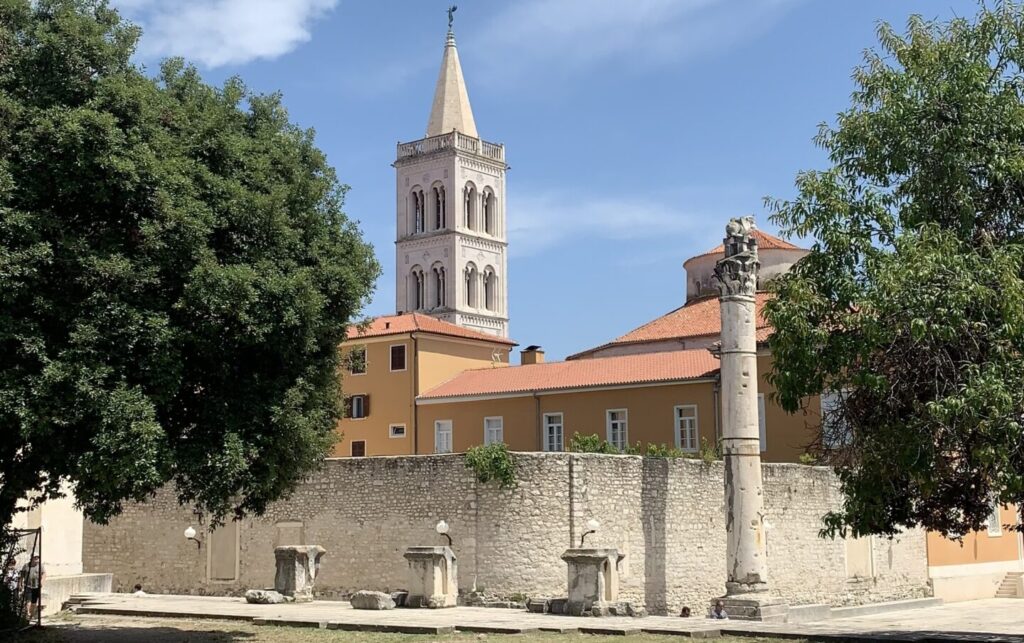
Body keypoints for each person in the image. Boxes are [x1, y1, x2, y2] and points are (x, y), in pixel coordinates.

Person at [21, 555, 44, 619]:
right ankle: (27, 614)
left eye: (38, 558)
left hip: (36, 586)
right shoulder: (26, 566)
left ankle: (31, 614)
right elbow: (22, 575)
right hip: (27, 585)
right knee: (28, 601)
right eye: (36, 558)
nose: (37, 559)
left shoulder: (40, 566)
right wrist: (20, 583)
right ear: (32, 558)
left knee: (34, 602)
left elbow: (44, 574)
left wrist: (42, 582)